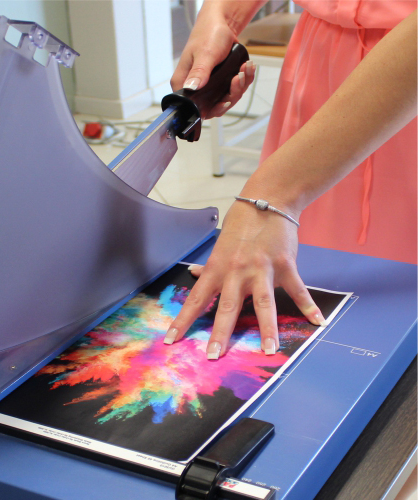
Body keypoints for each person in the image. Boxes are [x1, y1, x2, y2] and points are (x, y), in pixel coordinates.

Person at [165, 2, 417, 361]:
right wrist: (221, 16)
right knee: (306, 296)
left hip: (407, 75)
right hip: (320, 60)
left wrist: (274, 194)